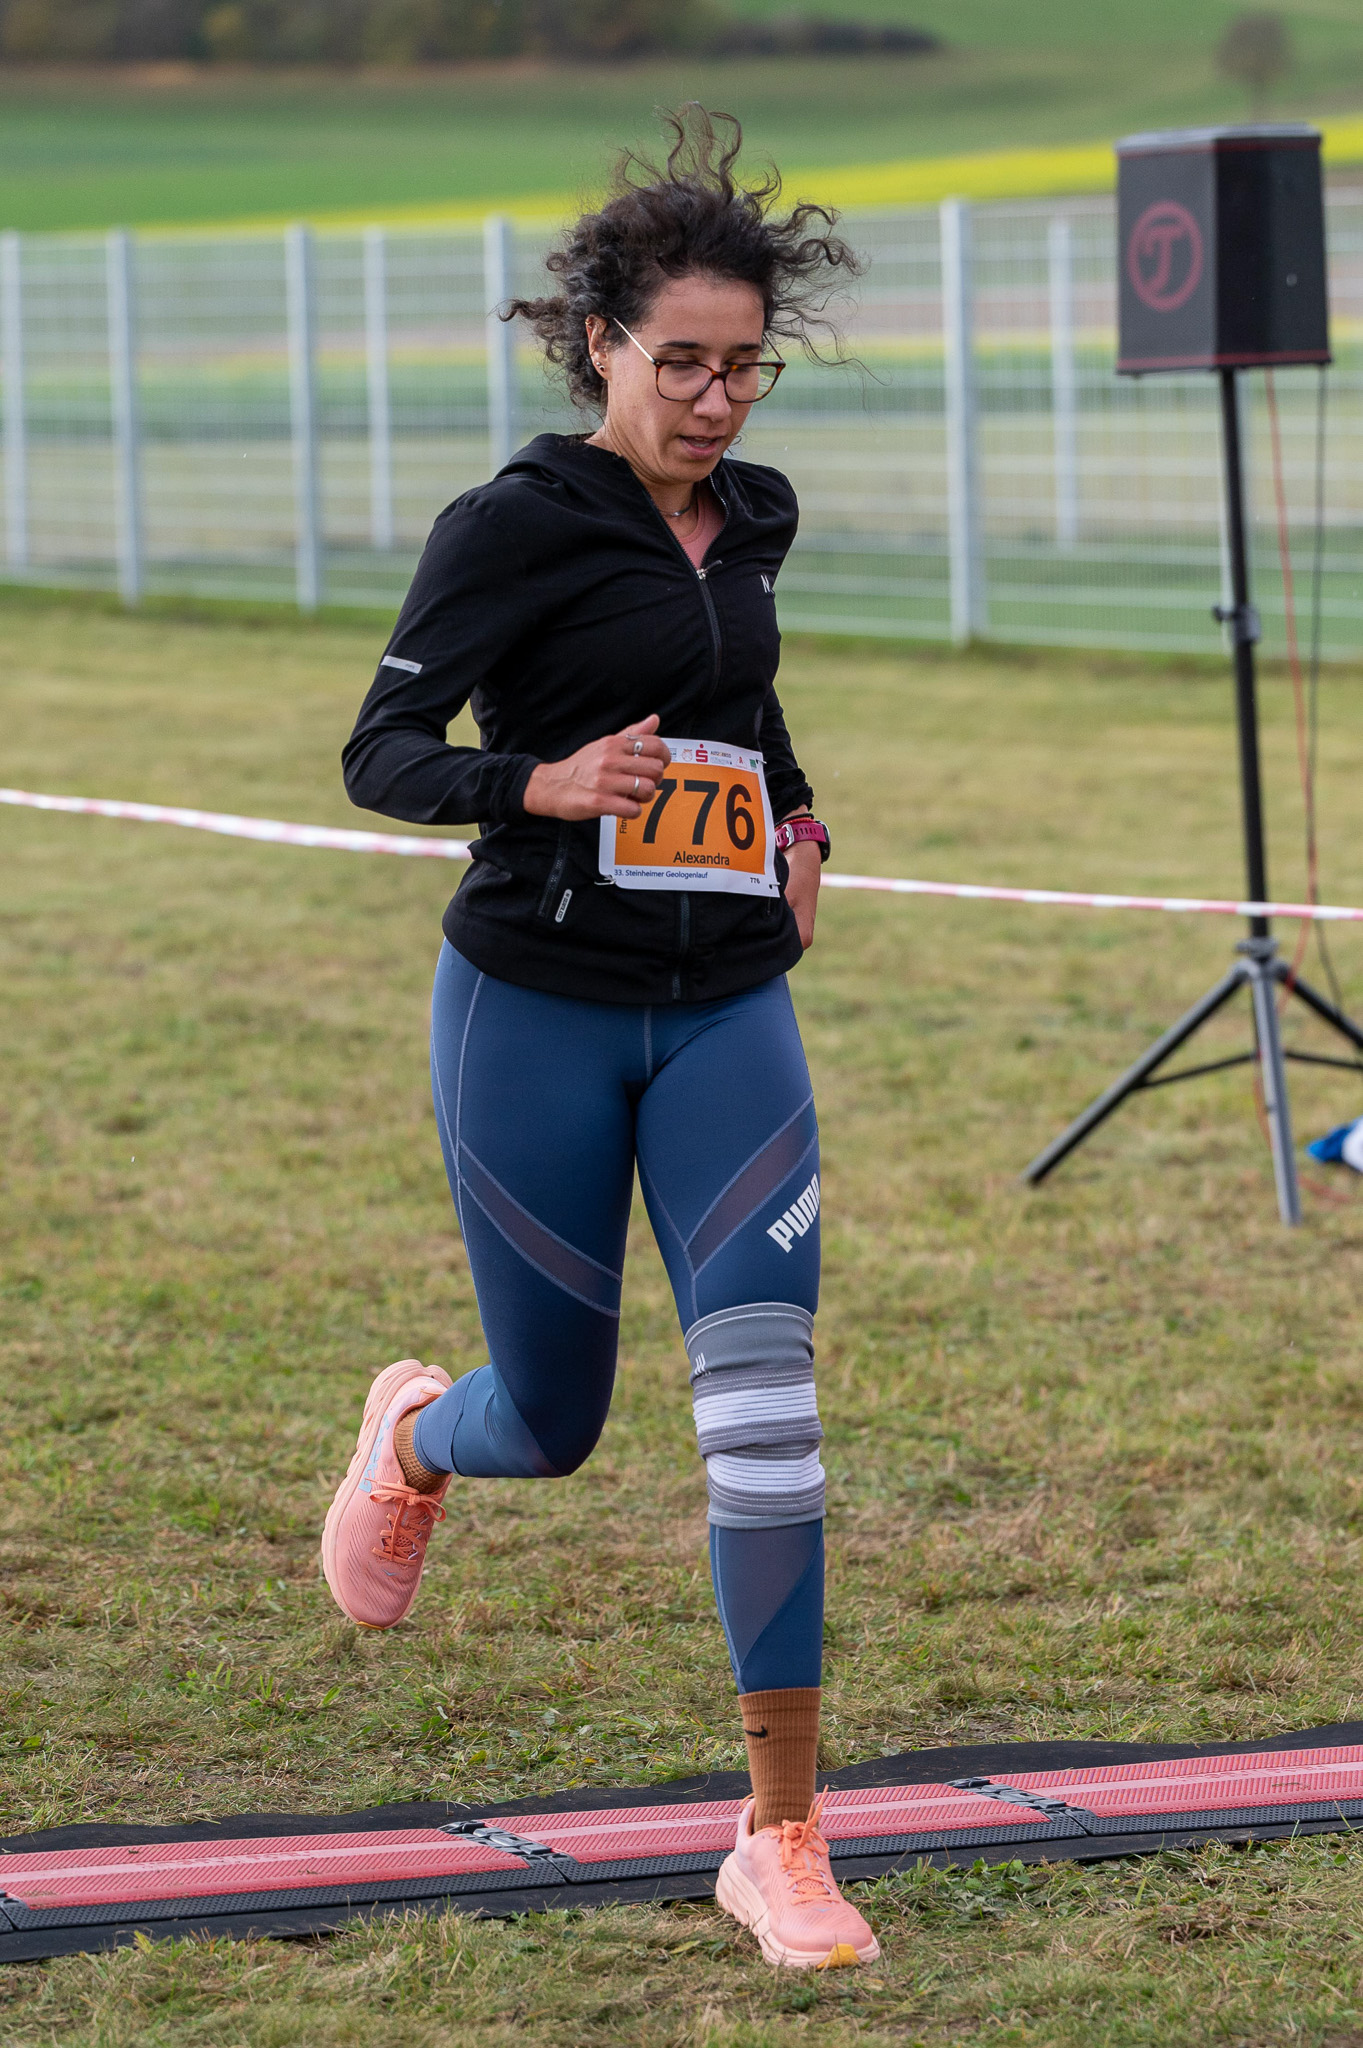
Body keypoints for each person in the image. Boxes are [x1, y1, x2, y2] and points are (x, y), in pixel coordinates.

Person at [324, 107, 875, 1971]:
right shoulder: (513, 523)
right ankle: (418, 1433)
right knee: (553, 1423)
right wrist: (540, 781)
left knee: (768, 1411)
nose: (718, 402)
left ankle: (781, 1838)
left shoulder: (758, 516)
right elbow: (382, 753)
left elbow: (740, 710)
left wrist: (798, 819)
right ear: (600, 346)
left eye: (747, 366)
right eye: (683, 364)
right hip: (535, 1013)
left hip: (728, 1010)